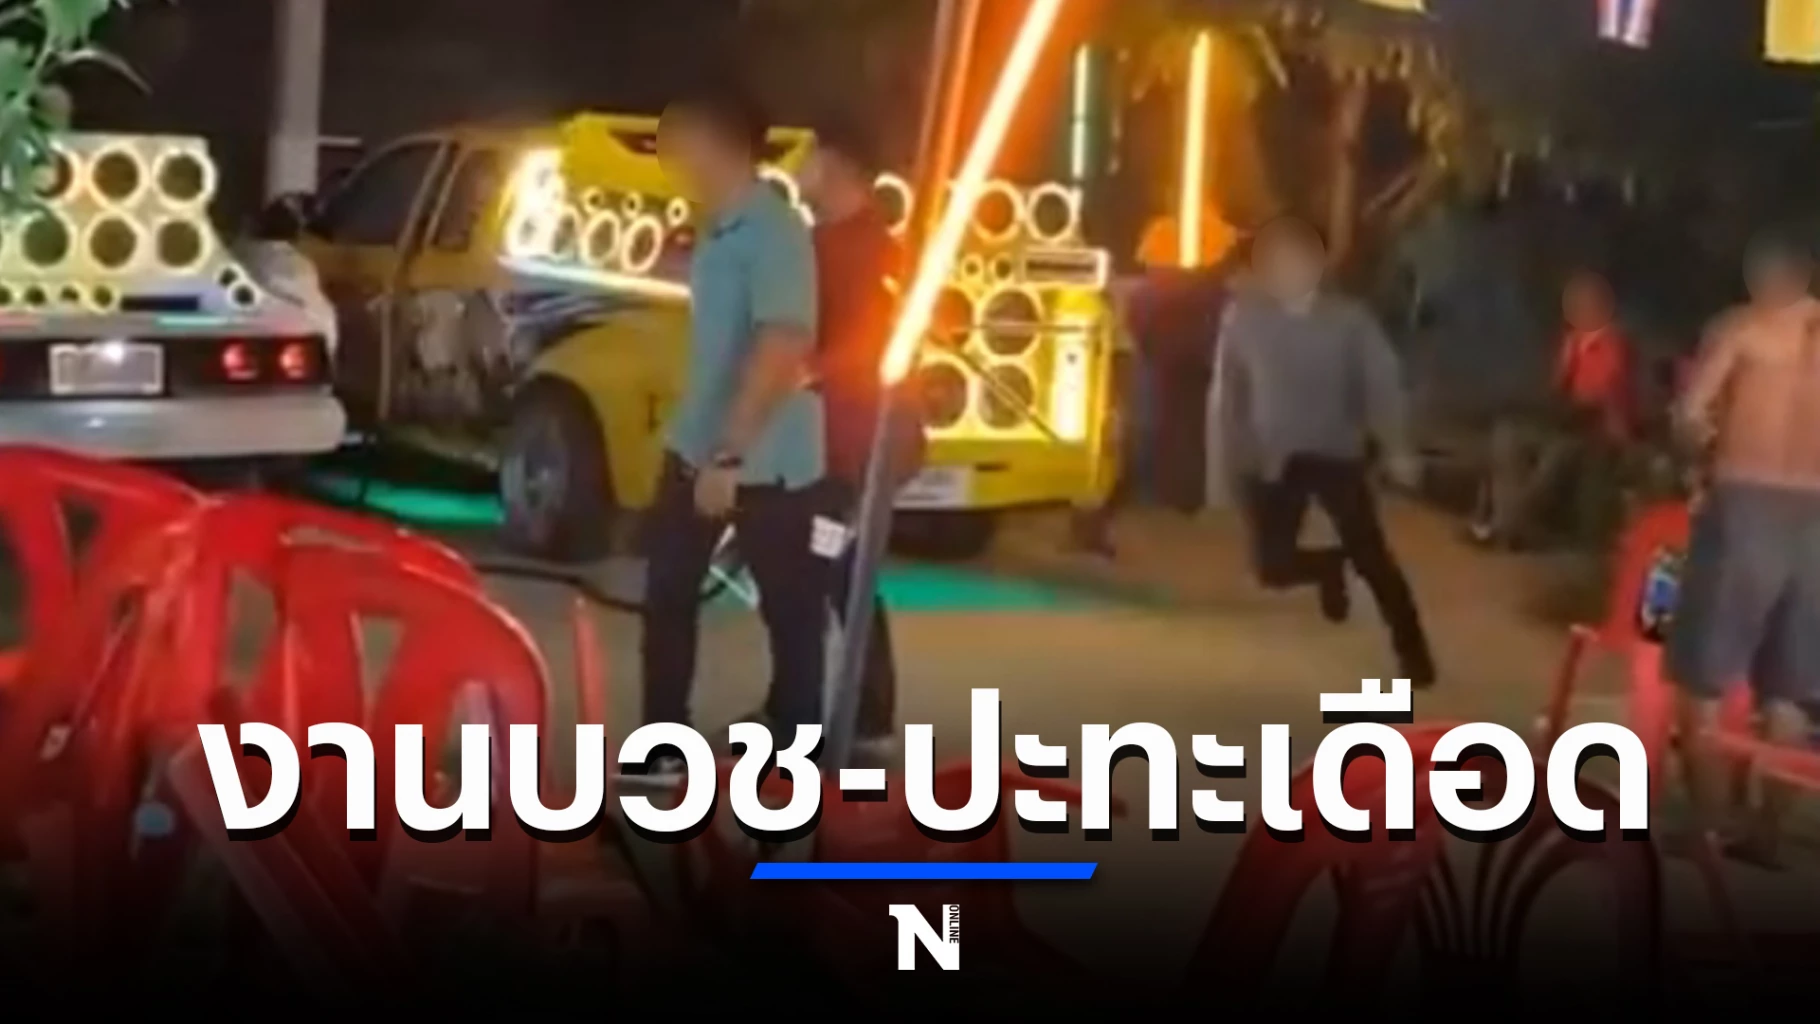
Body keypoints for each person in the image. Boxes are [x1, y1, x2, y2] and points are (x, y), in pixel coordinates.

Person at [642, 83, 831, 755]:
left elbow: (783, 340)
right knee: (666, 596)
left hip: (765, 459)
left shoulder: (774, 231)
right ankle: (664, 746)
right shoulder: (717, 227)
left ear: (720, 144)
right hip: (695, 443)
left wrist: (730, 454)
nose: (667, 152)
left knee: (790, 610)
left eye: (679, 137)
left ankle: (799, 752)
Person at [750, 113, 922, 751]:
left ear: (837, 165)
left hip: (851, 446)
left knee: (822, 568)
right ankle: (835, 711)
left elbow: (873, 343)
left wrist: (808, 370)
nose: (797, 167)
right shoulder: (826, 243)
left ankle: (824, 718)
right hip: (825, 442)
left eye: (809, 155)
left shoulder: (870, 252)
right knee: (828, 569)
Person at [1214, 215, 1437, 686]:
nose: (1287, 270)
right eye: (1276, 261)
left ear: (1318, 264)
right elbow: (1228, 397)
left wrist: (1398, 447)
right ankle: (1327, 567)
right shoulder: (1245, 320)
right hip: (1272, 458)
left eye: (1297, 259)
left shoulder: (1349, 321)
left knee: (1372, 557)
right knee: (1271, 568)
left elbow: (1383, 385)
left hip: (1335, 452)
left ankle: (1413, 652)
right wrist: (1226, 468)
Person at [1670, 231, 1820, 867]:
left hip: (1745, 505)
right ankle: (1766, 833)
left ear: (1762, 274)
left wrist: (1695, 457)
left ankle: (1706, 828)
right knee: (1793, 687)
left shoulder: (1742, 329)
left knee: (1701, 676)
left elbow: (1691, 416)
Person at [1473, 270, 1635, 549]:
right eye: (1569, 303)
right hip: (1566, 422)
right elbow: (1557, 390)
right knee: (1507, 437)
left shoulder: (1613, 345)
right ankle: (1504, 525)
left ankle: (1506, 527)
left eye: (1578, 303)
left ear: (1600, 307)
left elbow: (1596, 397)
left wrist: (1560, 406)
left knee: (1554, 458)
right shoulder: (1573, 341)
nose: (1570, 310)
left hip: (1599, 429)